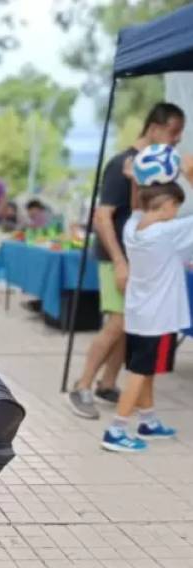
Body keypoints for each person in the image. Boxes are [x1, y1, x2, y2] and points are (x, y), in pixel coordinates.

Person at [68, 102, 185, 419]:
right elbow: (103, 217)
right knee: (117, 322)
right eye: (174, 133)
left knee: (129, 323)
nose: (176, 140)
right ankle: (82, 385)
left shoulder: (149, 169)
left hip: (140, 258)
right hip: (117, 255)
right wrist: (120, 262)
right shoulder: (121, 163)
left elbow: (139, 209)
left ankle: (107, 383)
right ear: (154, 128)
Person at [101, 155, 193, 452]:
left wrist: (135, 178)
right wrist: (190, 174)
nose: (177, 213)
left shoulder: (133, 226)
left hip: (139, 314)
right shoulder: (166, 232)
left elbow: (138, 205)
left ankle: (148, 421)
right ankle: (116, 430)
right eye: (175, 207)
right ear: (166, 206)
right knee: (140, 373)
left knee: (145, 369)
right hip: (158, 318)